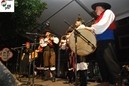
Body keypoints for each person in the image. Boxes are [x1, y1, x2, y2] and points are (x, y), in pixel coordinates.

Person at [86, 2, 121, 86]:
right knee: (101, 62)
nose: (95, 10)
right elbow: (96, 30)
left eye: (96, 8)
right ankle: (106, 80)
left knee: (110, 61)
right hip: (100, 43)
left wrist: (91, 28)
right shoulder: (98, 18)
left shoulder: (108, 12)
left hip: (107, 40)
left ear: (101, 8)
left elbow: (102, 25)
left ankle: (117, 81)